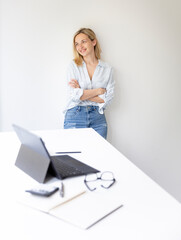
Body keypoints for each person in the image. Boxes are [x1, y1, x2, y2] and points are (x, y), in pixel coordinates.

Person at [63, 28, 114, 139]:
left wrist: (82, 92)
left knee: (98, 155)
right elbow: (74, 95)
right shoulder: (73, 66)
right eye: (77, 44)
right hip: (75, 115)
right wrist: (98, 91)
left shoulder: (107, 69)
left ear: (93, 42)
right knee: (73, 155)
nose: (80, 46)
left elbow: (107, 99)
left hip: (98, 119)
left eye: (83, 41)